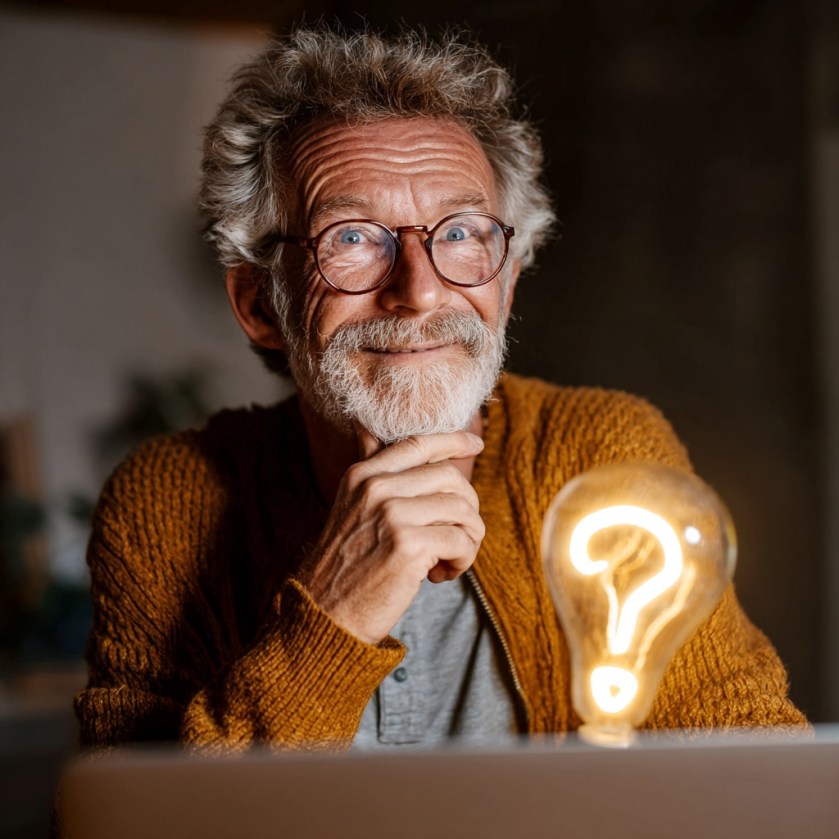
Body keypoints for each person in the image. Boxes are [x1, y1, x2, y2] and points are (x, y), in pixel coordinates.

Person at [74, 25, 806, 752]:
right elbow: (131, 821)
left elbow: (755, 780)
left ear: (507, 281)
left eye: (459, 234)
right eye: (353, 238)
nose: (420, 293)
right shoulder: (171, 500)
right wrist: (332, 617)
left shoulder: (598, 451)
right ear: (263, 305)